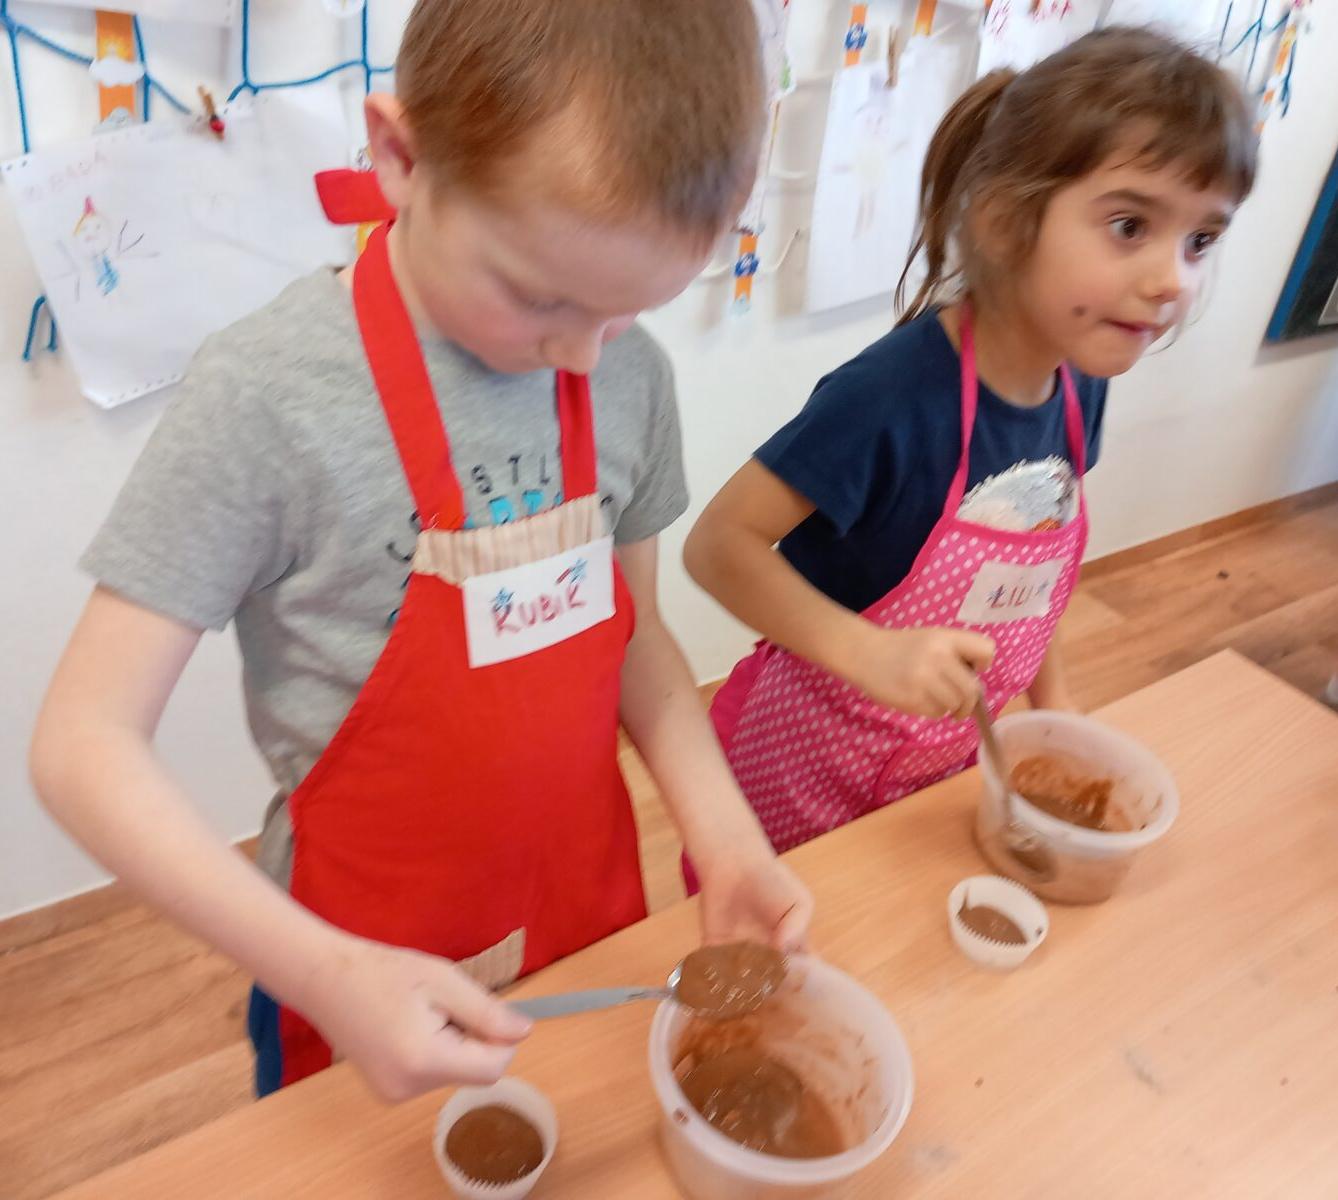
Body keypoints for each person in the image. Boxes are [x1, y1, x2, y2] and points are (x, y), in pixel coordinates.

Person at [30, 0, 812, 1102]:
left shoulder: (627, 379)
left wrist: (724, 839)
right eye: (541, 296)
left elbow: (635, 639)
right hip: (354, 970)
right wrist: (324, 973)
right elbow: (82, 744)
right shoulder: (268, 397)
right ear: (399, 157)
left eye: (629, 311)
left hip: (585, 918)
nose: (581, 355)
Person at [684, 28, 1257, 865]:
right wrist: (866, 653)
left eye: (1200, 240)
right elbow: (717, 546)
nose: (1175, 278)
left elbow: (1034, 577)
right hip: (800, 771)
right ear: (1002, 221)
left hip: (935, 768)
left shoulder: (1080, 383)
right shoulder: (890, 397)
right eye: (1130, 225)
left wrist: (1055, 708)